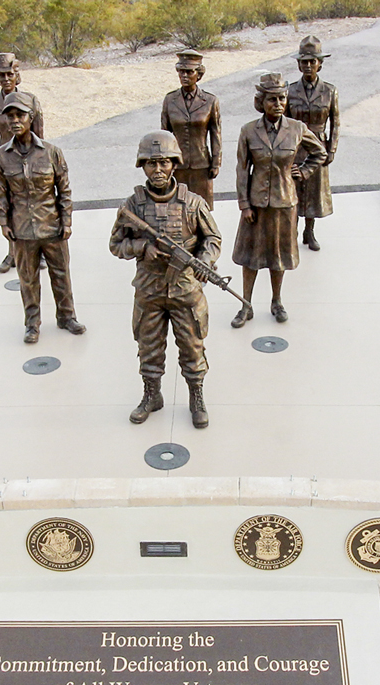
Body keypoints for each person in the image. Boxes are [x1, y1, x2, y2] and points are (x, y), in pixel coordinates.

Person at [110, 131, 222, 429]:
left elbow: (212, 238)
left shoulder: (193, 203)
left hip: (185, 288)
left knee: (192, 346)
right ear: (142, 167)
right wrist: (142, 248)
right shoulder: (133, 206)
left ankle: (196, 396)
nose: (157, 170)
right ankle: (151, 395)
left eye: (163, 163)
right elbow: (115, 245)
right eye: (150, 164)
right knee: (149, 346)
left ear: (174, 164)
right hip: (149, 289)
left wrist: (206, 262)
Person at [231, 72, 327, 327]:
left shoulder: (296, 129)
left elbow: (320, 153)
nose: (278, 104)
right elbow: (242, 170)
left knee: (278, 256)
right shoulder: (249, 131)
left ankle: (276, 301)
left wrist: (304, 170)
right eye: (272, 99)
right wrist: (244, 204)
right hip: (257, 205)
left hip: (285, 203)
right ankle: (246, 304)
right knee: (250, 257)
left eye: (282, 98)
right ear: (261, 101)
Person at [0, 92, 85, 344]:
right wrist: (4, 223)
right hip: (22, 229)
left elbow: (64, 191)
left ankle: (67, 317)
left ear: (31, 118)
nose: (14, 121)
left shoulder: (52, 153)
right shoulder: (1, 156)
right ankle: (32, 324)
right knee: (28, 279)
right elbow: (2, 195)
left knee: (61, 274)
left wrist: (67, 221)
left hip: (52, 226)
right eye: (9, 116)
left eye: (20, 115)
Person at [0, 53, 45, 273]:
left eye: (10, 74)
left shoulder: (30, 100)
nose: (6, 78)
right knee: (8, 207)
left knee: (35, 203)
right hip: (6, 163)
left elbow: (40, 135)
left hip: (30, 161)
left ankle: (39, 250)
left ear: (17, 74)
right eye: (1, 75)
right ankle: (13, 252)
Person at [287, 36, 339, 252]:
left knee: (314, 193)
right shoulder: (289, 91)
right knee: (294, 191)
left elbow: (335, 122)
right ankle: (292, 232)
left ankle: (310, 230)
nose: (308, 66)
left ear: (320, 63)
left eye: (312, 61)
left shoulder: (329, 91)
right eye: (304, 62)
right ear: (298, 64)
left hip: (318, 147)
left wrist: (332, 149)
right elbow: (285, 123)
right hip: (296, 147)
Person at [160, 49, 222, 210]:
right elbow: (164, 135)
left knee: (202, 209)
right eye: (181, 72)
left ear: (199, 75)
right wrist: (164, 163)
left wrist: (216, 163)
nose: (184, 76)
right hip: (177, 165)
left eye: (189, 72)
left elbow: (216, 134)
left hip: (201, 165)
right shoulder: (170, 100)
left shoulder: (210, 101)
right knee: (177, 207)